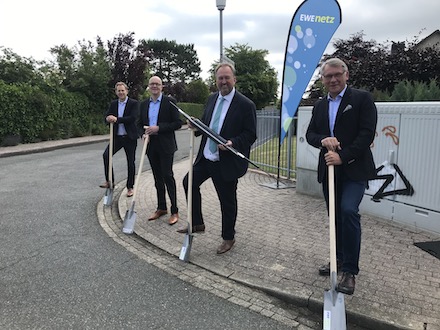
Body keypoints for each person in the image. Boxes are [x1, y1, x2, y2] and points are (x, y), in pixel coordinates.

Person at [306, 58, 377, 295]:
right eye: (328, 76)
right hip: (329, 172)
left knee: (348, 211)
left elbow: (366, 135)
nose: (333, 79)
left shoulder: (361, 99)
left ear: (346, 75)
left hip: (355, 170)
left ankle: (350, 271)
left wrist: (343, 156)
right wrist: (323, 140)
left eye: (337, 74)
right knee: (335, 217)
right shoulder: (319, 105)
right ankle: (336, 261)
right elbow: (310, 134)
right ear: (323, 79)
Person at [177, 63, 257, 255]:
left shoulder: (246, 105)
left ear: (234, 79)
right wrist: (195, 126)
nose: (223, 82)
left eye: (227, 78)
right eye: (220, 78)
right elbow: (206, 125)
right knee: (189, 182)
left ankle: (228, 237)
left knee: (227, 201)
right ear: (216, 80)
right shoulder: (212, 98)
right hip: (207, 157)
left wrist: (233, 142)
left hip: (226, 162)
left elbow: (251, 134)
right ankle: (197, 223)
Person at [138, 76, 182, 225]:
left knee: (167, 176)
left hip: (166, 145)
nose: (154, 86)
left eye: (157, 84)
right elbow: (139, 124)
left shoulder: (170, 102)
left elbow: (177, 123)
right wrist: (142, 135)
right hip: (150, 146)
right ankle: (161, 207)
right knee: (157, 178)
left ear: (162, 87)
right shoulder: (143, 104)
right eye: (152, 84)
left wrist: (159, 128)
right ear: (148, 87)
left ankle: (174, 210)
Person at [100, 82, 139, 197]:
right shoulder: (113, 104)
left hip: (129, 137)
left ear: (126, 91)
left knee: (130, 162)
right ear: (116, 92)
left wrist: (117, 119)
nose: (121, 93)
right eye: (118, 91)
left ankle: (130, 187)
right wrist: (108, 118)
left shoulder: (133, 103)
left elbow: (132, 118)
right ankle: (110, 181)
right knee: (106, 155)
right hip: (117, 137)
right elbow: (107, 116)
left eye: (122, 90)